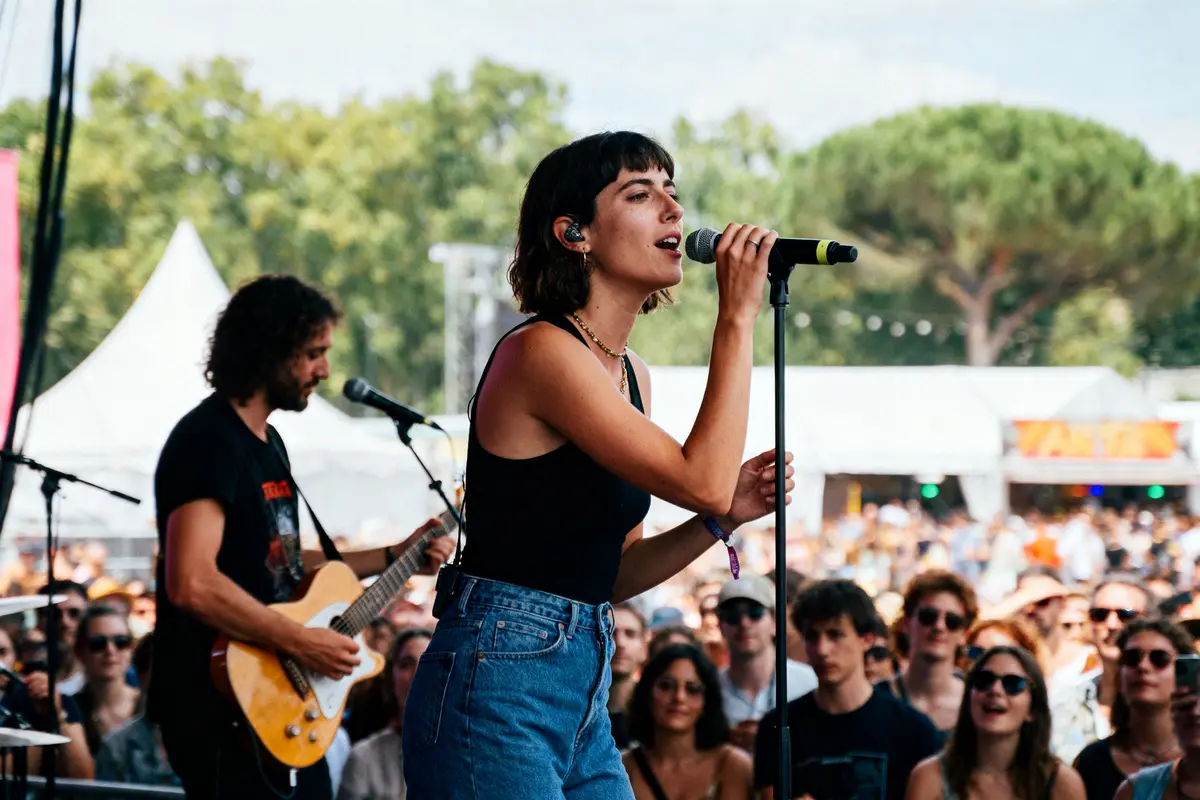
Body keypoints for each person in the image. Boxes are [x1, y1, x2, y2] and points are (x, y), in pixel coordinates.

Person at [402, 131, 792, 799]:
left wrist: (716, 520)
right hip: (497, 681)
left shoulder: (632, 375)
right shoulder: (541, 354)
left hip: (582, 681)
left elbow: (611, 575)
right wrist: (737, 315)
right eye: (641, 194)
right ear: (574, 232)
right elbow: (700, 476)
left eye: (673, 190)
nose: (673, 208)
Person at [151, 275, 454, 799]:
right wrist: (298, 640)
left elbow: (280, 559)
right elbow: (192, 582)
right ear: (270, 349)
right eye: (314, 353)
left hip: (273, 705)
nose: (325, 370)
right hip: (222, 705)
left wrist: (393, 555)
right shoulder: (208, 442)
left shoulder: (270, 445)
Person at [754, 579, 941, 800]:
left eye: (835, 635)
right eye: (812, 636)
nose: (822, 650)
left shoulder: (913, 731)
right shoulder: (777, 727)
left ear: (867, 639)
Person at [906, 645, 1086, 800]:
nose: (995, 690)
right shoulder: (930, 778)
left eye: (1013, 684)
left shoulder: (1061, 783)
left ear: (1032, 710)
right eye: (984, 680)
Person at [1073, 619, 1190, 800]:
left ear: (1184, 674)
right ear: (1120, 675)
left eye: (1159, 658)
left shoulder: (1195, 760)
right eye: (1132, 658)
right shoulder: (1092, 760)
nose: (1143, 666)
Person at [622, 644, 752, 800]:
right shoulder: (622, 767)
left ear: (707, 700)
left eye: (692, 689)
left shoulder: (732, 765)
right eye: (666, 686)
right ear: (647, 692)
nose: (679, 697)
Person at [714, 575, 816, 751]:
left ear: (775, 621)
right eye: (732, 616)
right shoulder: (708, 689)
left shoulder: (808, 682)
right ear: (720, 626)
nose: (744, 623)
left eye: (755, 613)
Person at [336, 628, 432, 800]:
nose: (418, 673)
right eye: (406, 664)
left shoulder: (466, 754)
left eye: (429, 663)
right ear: (391, 678)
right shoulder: (364, 758)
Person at [882, 570, 977, 741]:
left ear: (964, 634)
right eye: (928, 616)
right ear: (906, 624)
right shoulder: (877, 699)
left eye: (952, 621)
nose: (939, 626)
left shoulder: (978, 702)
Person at [610, 603, 650, 750]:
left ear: (644, 647)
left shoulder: (658, 711)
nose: (620, 643)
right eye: (610, 633)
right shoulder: (572, 711)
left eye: (630, 634)